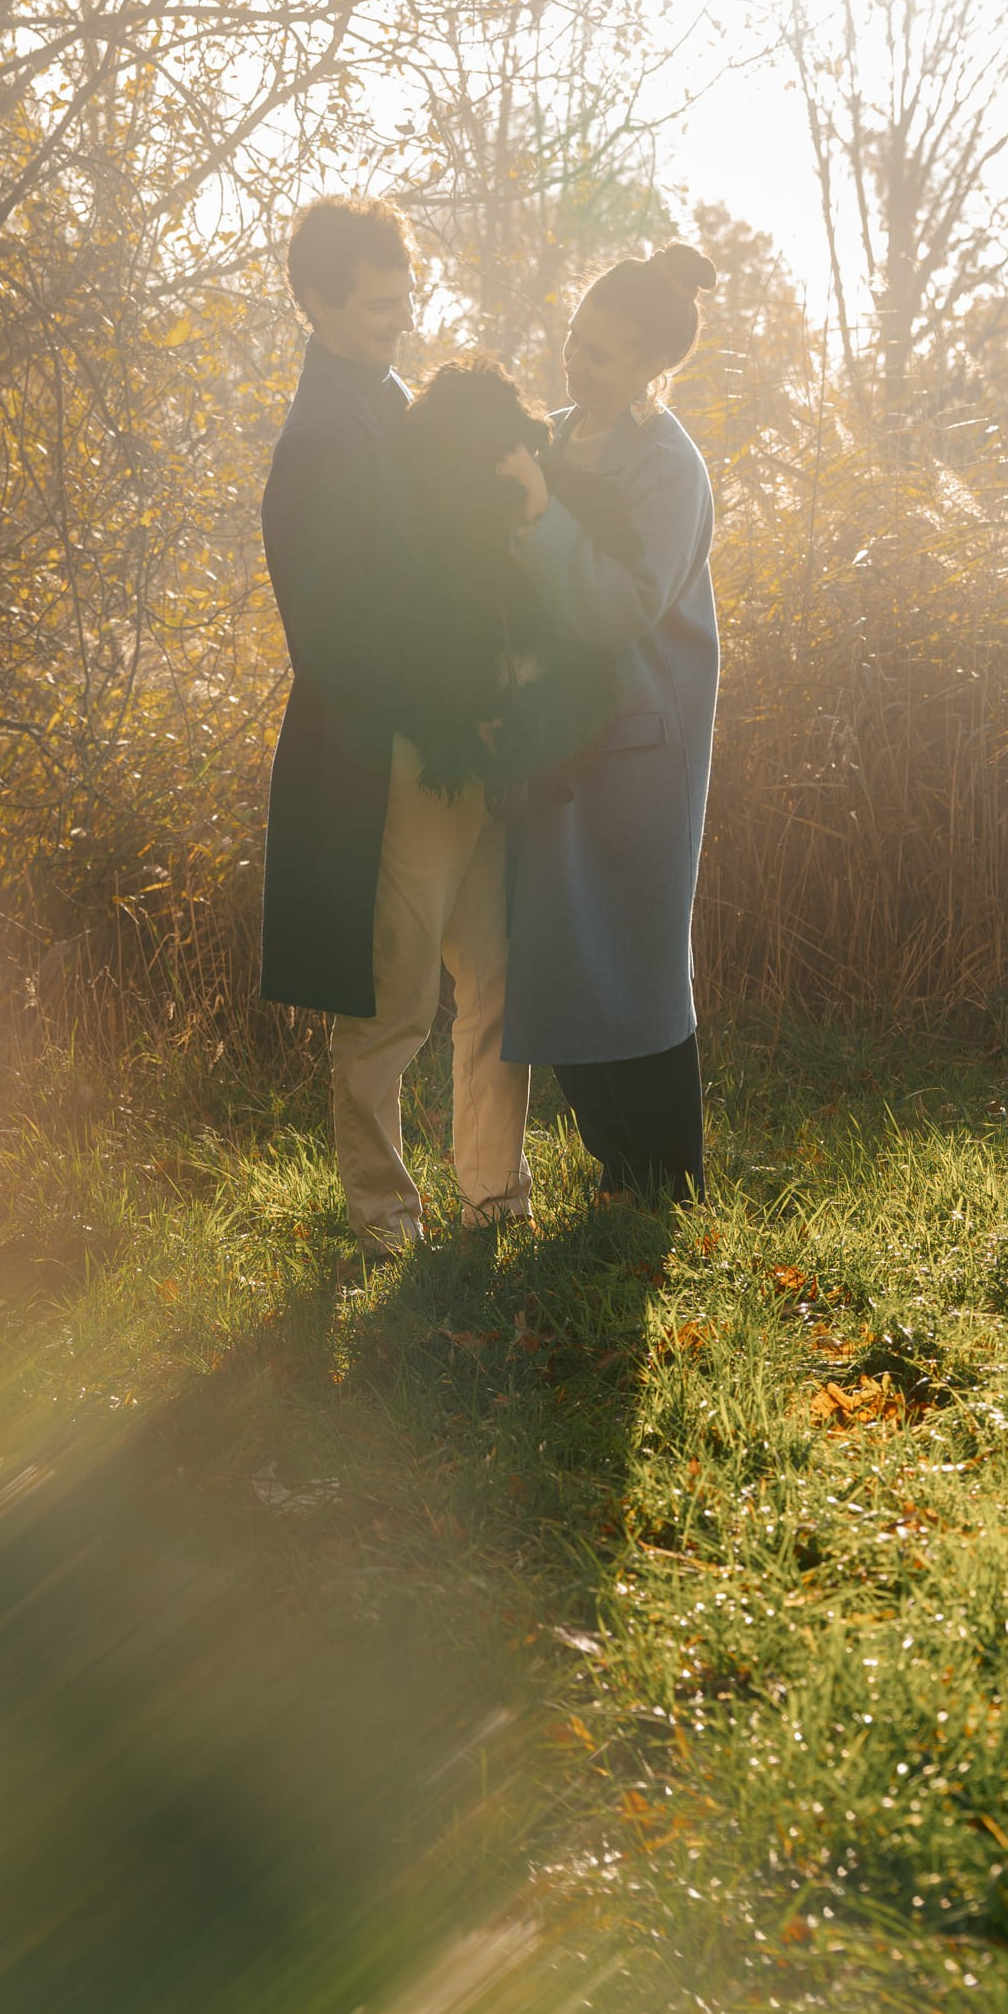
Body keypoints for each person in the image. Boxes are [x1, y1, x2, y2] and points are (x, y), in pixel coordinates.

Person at [258, 199, 532, 1260]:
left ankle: (493, 1192)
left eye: (403, 296)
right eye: (376, 304)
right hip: (401, 758)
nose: (397, 318)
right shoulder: (318, 442)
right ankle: (381, 1215)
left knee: (498, 974)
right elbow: (334, 637)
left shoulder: (391, 401)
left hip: (472, 738)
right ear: (317, 302)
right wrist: (447, 712)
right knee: (393, 1002)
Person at [498, 243, 720, 1206]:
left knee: (634, 961)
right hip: (555, 739)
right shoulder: (549, 435)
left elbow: (624, 603)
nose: (575, 365)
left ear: (649, 370)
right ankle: (612, 1168)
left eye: (600, 354)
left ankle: (666, 1177)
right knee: (557, 955)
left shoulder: (670, 465)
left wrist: (542, 517)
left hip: (637, 748)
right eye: (573, 341)